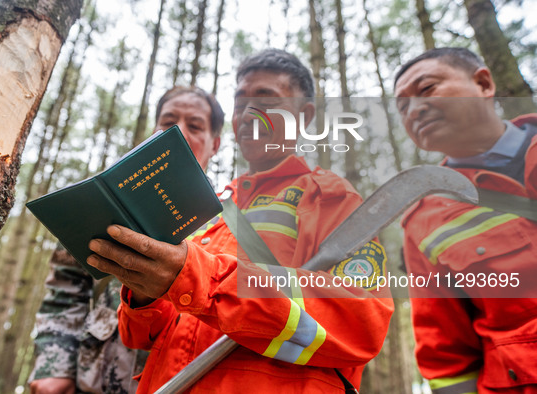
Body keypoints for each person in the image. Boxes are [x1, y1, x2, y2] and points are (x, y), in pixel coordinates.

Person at [87, 49, 394, 393]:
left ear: (304, 116)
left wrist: (198, 278)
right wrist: (144, 294)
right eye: (239, 103)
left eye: (266, 99)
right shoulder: (208, 209)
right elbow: (141, 336)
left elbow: (363, 322)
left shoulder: (330, 196)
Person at [28, 86, 225, 394]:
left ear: (215, 144)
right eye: (168, 121)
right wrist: (54, 366)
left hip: (180, 381)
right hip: (93, 380)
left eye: (195, 125)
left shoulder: (228, 222)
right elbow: (65, 291)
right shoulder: (106, 199)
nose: (179, 132)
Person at [394, 47, 537, 393]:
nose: (414, 110)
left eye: (427, 89)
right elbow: (446, 357)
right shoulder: (424, 221)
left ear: (484, 83)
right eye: (402, 106)